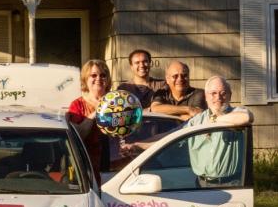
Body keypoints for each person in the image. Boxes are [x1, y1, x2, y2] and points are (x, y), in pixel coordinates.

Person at [122, 76, 253, 187]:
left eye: (223, 93)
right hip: (201, 184)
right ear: (206, 97)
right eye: (213, 93)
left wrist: (216, 120)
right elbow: (168, 137)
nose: (218, 97)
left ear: (230, 95)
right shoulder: (197, 121)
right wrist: (138, 145)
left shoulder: (237, 113)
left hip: (232, 185)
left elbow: (247, 117)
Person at [67, 59, 111, 185]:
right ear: (86, 79)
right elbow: (77, 135)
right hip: (88, 167)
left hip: (117, 166)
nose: (99, 78)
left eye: (103, 75)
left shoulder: (117, 101)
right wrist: (95, 114)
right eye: (94, 75)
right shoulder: (77, 105)